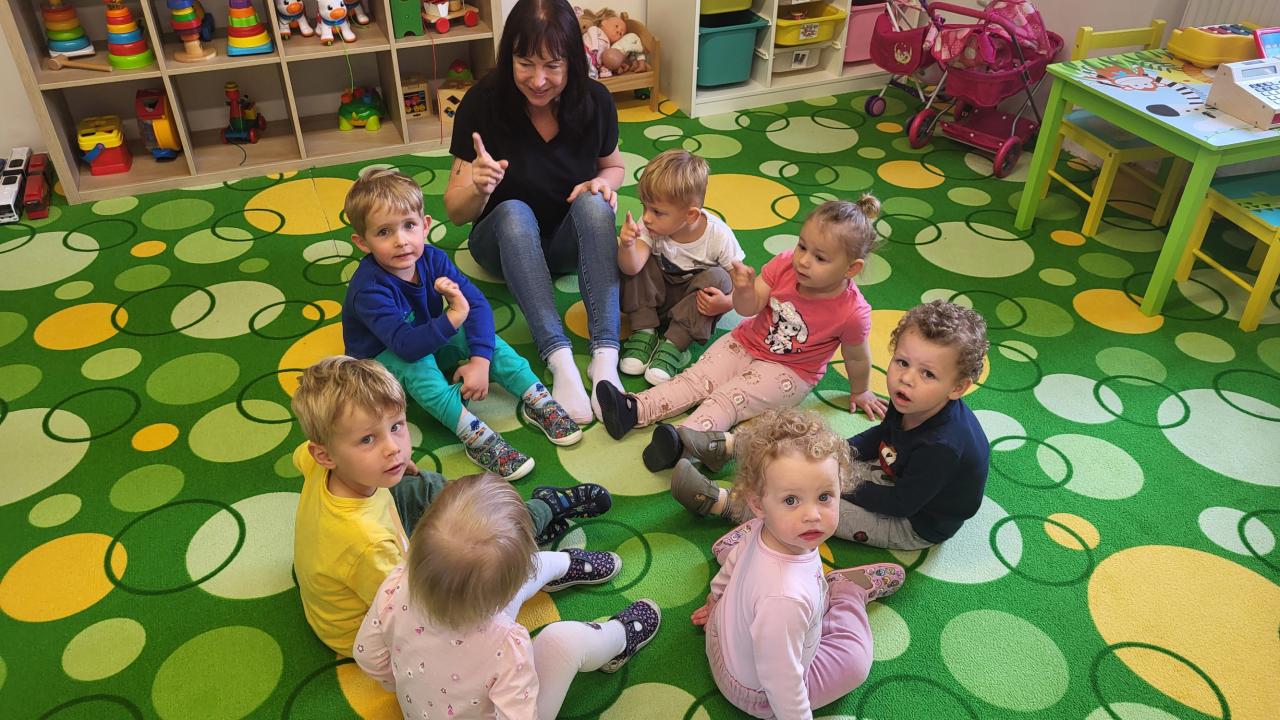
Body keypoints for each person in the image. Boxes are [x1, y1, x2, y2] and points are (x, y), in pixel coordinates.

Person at [290, 356, 613, 656]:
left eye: (396, 427)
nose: (393, 449)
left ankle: (521, 526)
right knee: (477, 567)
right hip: (378, 632)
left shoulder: (319, 458)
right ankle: (535, 556)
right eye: (367, 439)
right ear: (326, 455)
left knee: (425, 487)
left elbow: (301, 454)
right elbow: (412, 613)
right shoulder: (369, 544)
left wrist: (386, 463)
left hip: (376, 564)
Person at [667, 301, 991, 552]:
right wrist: (838, 453)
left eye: (928, 374)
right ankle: (728, 446)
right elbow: (882, 434)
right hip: (897, 474)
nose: (906, 378)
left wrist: (835, 481)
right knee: (812, 446)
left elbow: (900, 504)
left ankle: (723, 503)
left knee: (816, 509)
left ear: (957, 387)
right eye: (903, 363)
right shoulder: (913, 399)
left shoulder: (943, 446)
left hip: (911, 521)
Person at [596, 197, 889, 467]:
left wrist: (860, 390)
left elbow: (857, 357)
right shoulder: (785, 264)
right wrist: (746, 289)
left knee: (728, 398)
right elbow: (749, 307)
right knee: (696, 378)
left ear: (851, 269)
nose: (803, 260)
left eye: (820, 258)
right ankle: (633, 409)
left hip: (790, 372)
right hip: (745, 342)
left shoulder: (853, 312)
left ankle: (684, 443)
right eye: (802, 246)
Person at [444, 0, 625, 425]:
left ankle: (605, 358)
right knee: (513, 211)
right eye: (525, 63)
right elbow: (454, 211)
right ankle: (559, 359)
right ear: (508, 57)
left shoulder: (595, 101)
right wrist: (478, 186)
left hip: (564, 244)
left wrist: (604, 184)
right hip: (501, 243)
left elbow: (614, 167)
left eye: (552, 66)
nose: (538, 80)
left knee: (595, 202)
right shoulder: (483, 102)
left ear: (572, 62)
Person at [354, 474, 662, 719]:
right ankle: (619, 638)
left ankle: (561, 566)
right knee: (562, 642)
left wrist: (408, 683)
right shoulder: (505, 645)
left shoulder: (396, 582)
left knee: (485, 570)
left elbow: (366, 654)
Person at [343, 167, 581, 482]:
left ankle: (536, 398)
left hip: (426, 335)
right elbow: (407, 347)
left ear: (425, 225)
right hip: (383, 363)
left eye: (409, 225)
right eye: (384, 232)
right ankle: (472, 433)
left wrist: (480, 362)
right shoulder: (369, 290)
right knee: (420, 368)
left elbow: (477, 305)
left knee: (486, 339)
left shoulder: (432, 258)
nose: (401, 241)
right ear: (363, 242)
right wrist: (454, 316)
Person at [691, 410, 905, 719]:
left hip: (720, 633)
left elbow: (734, 565)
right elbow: (782, 685)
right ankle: (847, 591)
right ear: (756, 503)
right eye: (791, 500)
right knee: (855, 662)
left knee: (749, 550)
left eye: (825, 496)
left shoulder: (763, 528)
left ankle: (733, 548)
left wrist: (715, 598)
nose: (812, 515)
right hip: (760, 695)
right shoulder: (785, 600)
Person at [617, 149, 744, 386]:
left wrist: (727, 303)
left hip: (692, 310)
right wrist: (627, 245)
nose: (647, 217)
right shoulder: (650, 227)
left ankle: (674, 344)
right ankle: (644, 332)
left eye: (657, 211)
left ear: (690, 215)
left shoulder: (718, 235)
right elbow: (632, 269)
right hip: (655, 304)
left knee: (719, 277)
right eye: (645, 207)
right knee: (636, 258)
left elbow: (743, 285)